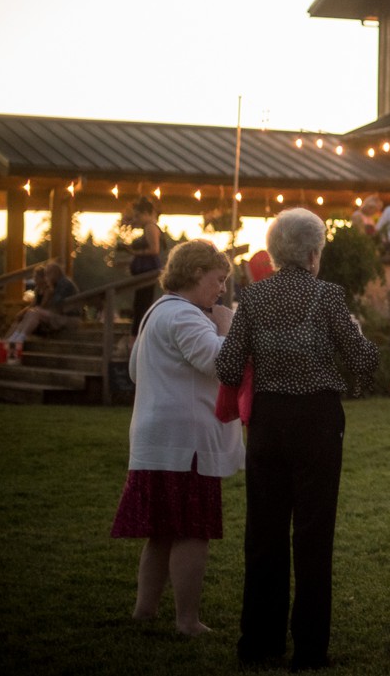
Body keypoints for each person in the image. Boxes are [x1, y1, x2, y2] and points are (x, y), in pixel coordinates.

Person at [216, 208, 379, 670]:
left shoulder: (254, 296)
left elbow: (227, 368)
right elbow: (364, 361)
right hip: (317, 422)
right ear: (313, 253)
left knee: (263, 533)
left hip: (267, 422)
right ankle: (309, 649)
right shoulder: (327, 295)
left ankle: (259, 642)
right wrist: (358, 333)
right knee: (313, 534)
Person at [110, 239, 243, 637]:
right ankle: (187, 620)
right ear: (196, 273)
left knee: (162, 531)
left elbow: (135, 370)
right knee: (191, 530)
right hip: (186, 443)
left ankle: (144, 611)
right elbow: (222, 363)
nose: (221, 289)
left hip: (158, 438)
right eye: (218, 280)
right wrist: (226, 327)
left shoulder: (156, 312)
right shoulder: (185, 316)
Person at [2, 261, 78, 360]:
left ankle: (18, 340)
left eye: (48, 274)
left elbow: (56, 306)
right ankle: (13, 339)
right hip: (60, 315)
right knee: (31, 312)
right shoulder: (56, 284)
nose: (46, 277)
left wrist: (49, 291)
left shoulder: (64, 284)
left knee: (36, 312)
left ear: (55, 273)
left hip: (68, 319)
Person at [122, 196, 163, 331]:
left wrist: (134, 253)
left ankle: (138, 334)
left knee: (142, 304)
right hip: (144, 269)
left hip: (148, 271)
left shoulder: (150, 227)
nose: (136, 220)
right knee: (140, 304)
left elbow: (154, 249)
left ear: (146, 214)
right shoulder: (148, 227)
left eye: (138, 216)